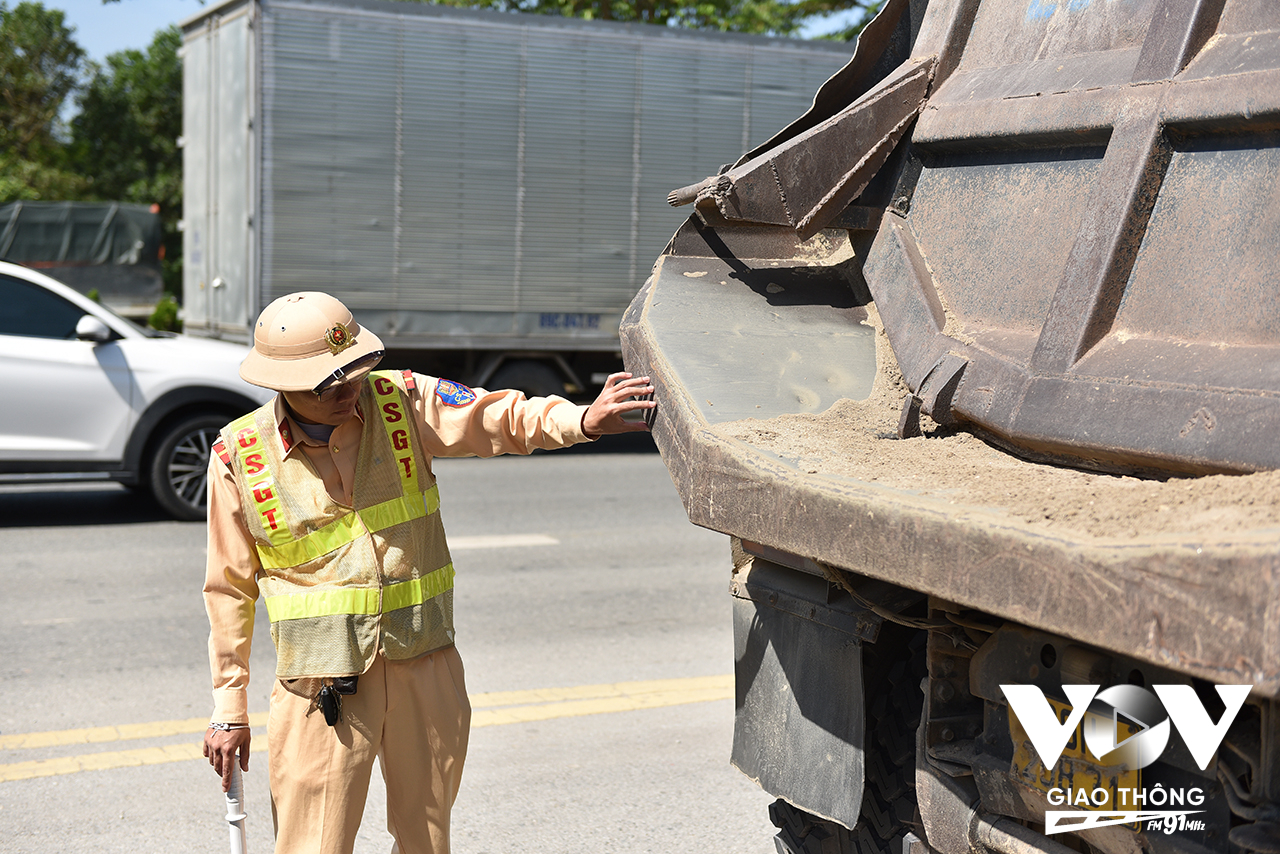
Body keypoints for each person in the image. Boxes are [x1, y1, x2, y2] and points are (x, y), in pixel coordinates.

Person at [202, 291, 654, 854]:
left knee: (427, 838)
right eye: (328, 383)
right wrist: (229, 711)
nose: (349, 391)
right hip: (322, 686)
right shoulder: (238, 456)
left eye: (353, 371)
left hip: (425, 661)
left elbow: (499, 415)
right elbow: (228, 591)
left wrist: (582, 419)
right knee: (313, 845)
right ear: (282, 385)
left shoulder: (401, 399)